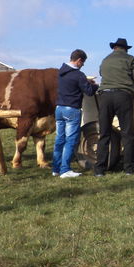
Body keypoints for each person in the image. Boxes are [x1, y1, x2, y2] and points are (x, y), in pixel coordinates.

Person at [94, 38, 134, 176]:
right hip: (123, 97)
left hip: (104, 97)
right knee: (127, 134)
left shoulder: (105, 60)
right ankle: (128, 169)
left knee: (104, 134)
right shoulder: (130, 59)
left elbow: (101, 73)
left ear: (114, 48)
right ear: (126, 49)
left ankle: (99, 170)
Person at [52, 49, 98, 178]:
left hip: (59, 108)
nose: (82, 65)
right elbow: (89, 92)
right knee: (70, 140)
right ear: (79, 60)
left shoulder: (61, 72)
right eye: (82, 63)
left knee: (59, 140)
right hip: (71, 109)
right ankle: (65, 170)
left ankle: (56, 168)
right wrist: (94, 86)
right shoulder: (79, 75)